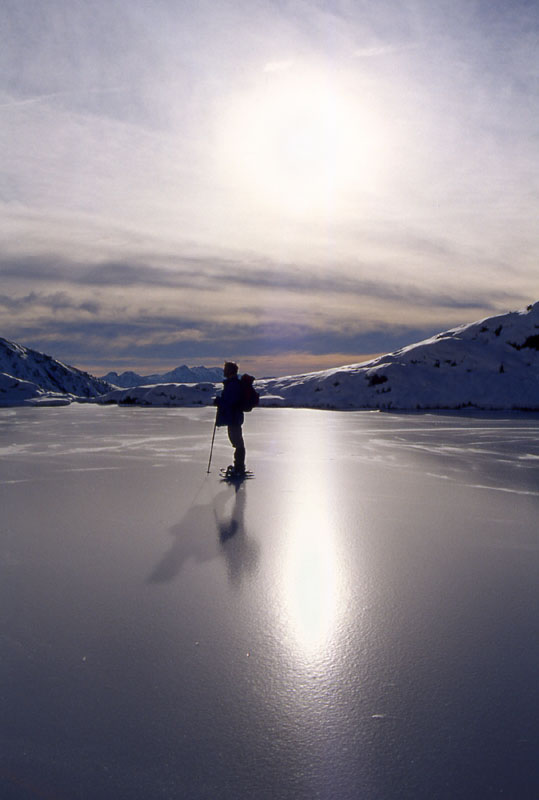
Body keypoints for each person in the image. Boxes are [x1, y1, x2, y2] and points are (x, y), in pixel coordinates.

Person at [214, 361, 246, 476]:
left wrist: (219, 402)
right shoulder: (232, 384)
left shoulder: (233, 385)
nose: (223, 371)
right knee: (236, 441)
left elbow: (230, 402)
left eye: (225, 369)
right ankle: (239, 466)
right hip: (233, 417)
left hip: (234, 417)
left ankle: (239, 468)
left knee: (238, 442)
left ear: (229, 371)